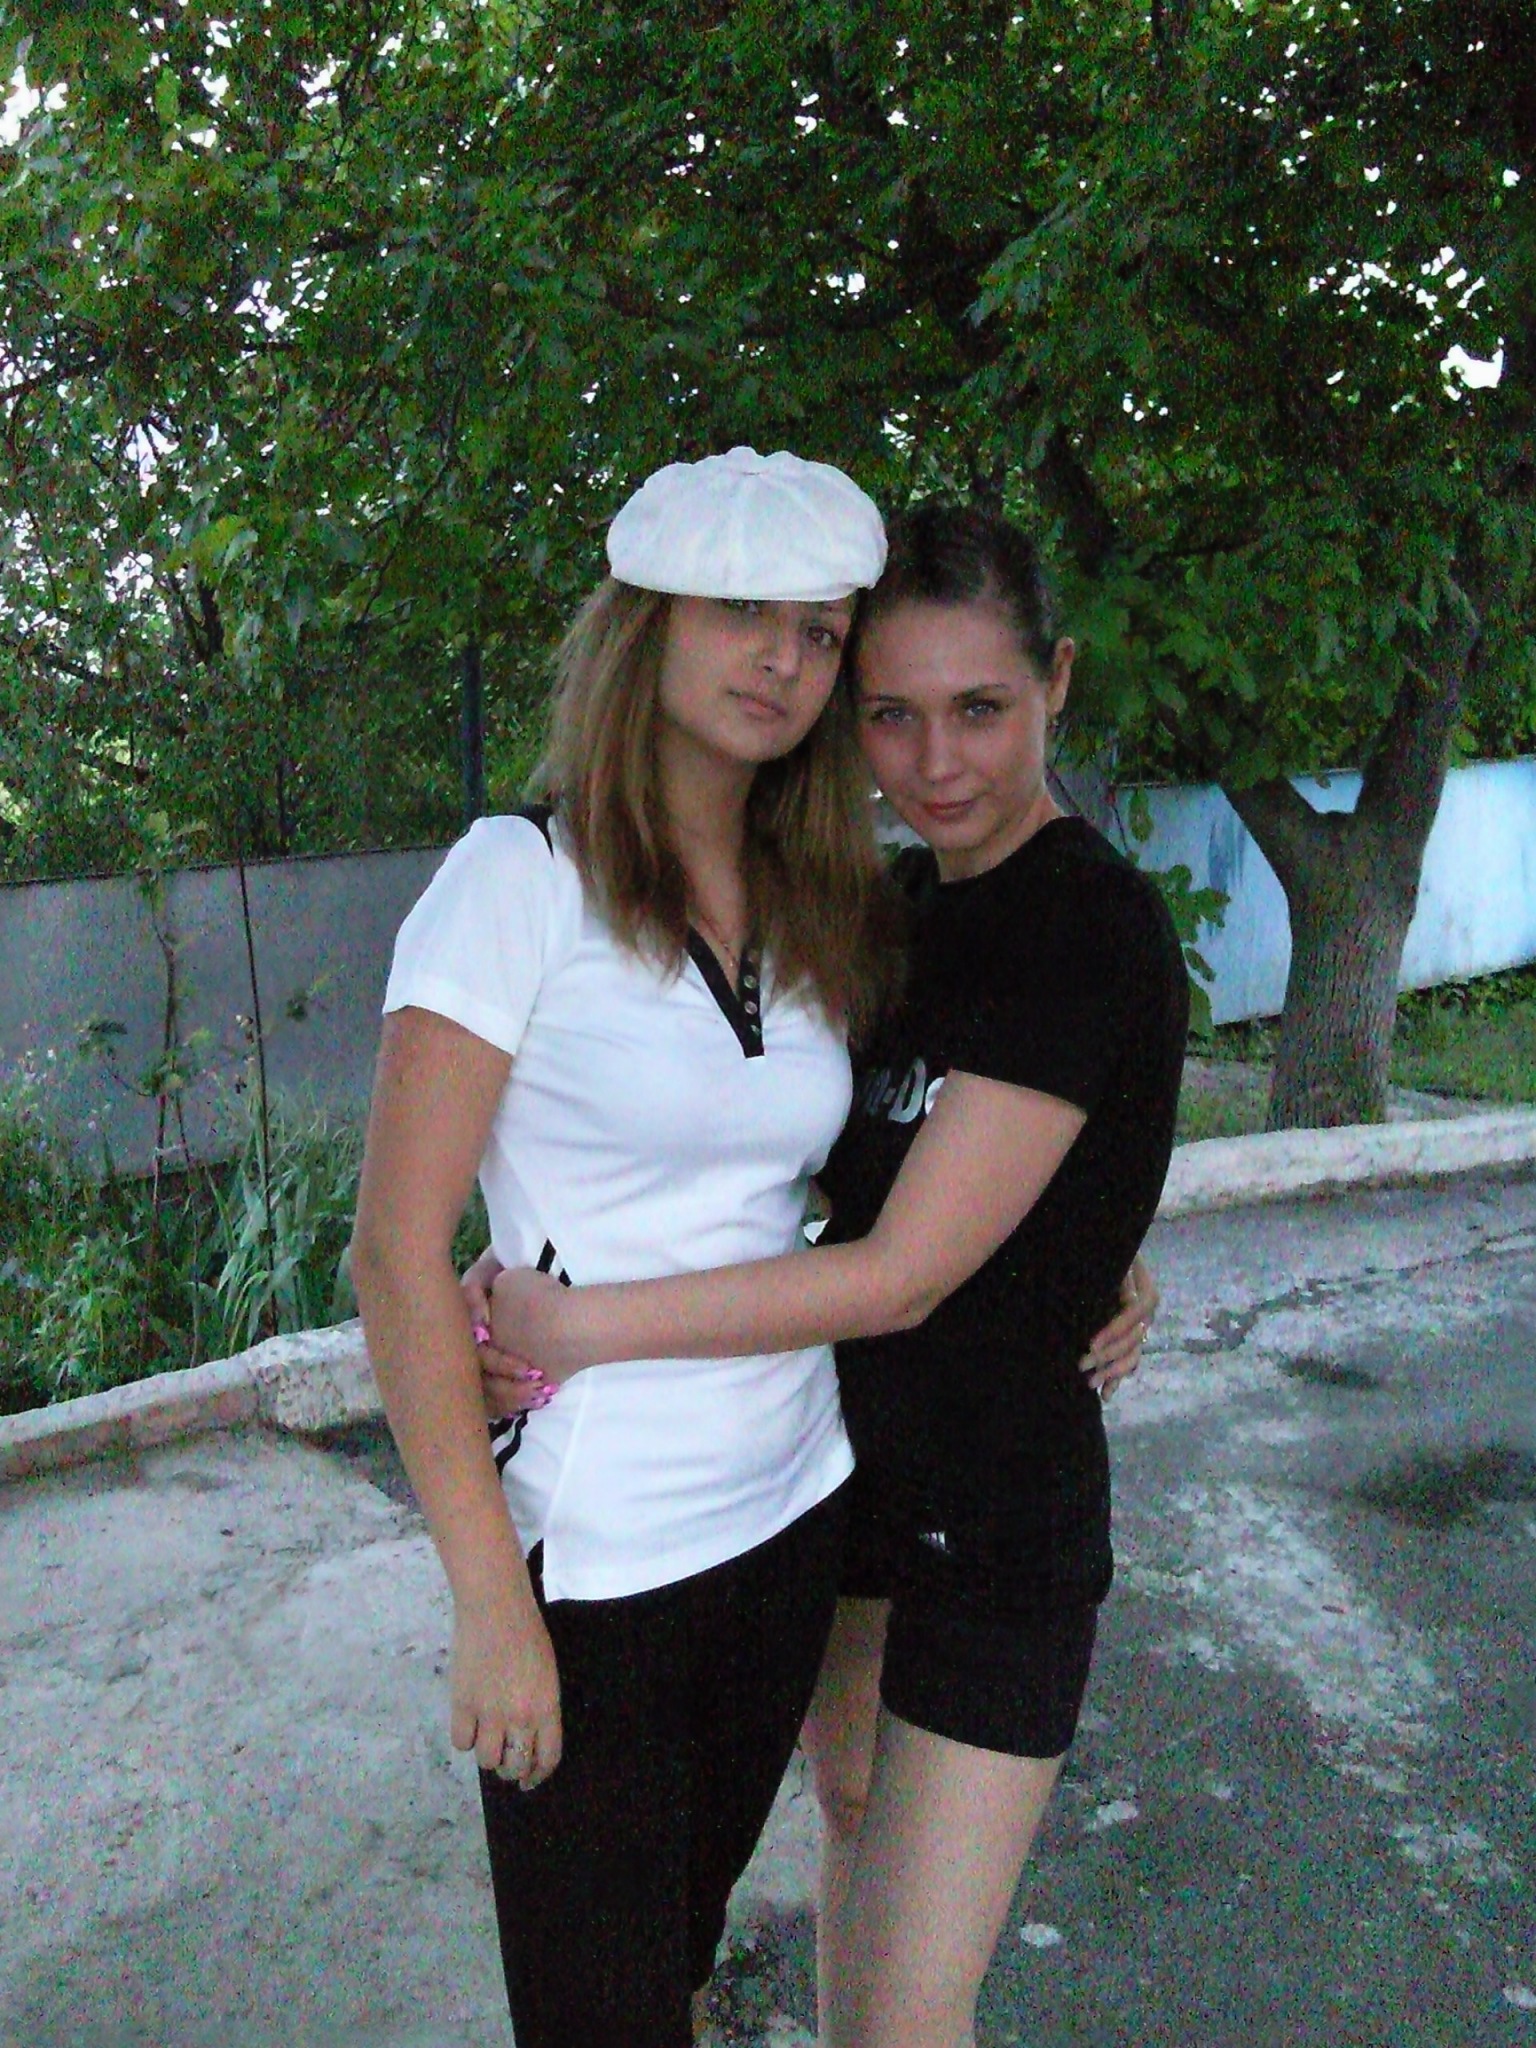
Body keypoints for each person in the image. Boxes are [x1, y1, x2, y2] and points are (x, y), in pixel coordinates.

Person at [479, 501, 1190, 2048]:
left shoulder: (1086, 921)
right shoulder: (894, 911)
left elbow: (904, 1274)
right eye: (891, 715)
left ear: (1058, 682)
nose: (937, 762)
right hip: (845, 1498)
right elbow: (778, 1149)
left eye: (980, 709)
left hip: (997, 1538)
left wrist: (577, 1324)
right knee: (847, 1836)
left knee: (905, 2019)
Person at [351, 446, 902, 2048]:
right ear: (644, 624)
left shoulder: (819, 893)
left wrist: (1096, 1253)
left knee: (673, 1956)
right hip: (597, 1567)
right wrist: (487, 1602)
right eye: (743, 614)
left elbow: (898, 1164)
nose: (784, 661)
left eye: (818, 632)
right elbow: (394, 1254)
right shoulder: (514, 882)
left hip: (793, 1511)